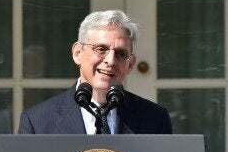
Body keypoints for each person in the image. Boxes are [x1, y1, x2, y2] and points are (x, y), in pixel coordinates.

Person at [18, 10, 172, 134]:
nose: (110, 60)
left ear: (130, 65)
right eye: (100, 49)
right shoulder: (37, 122)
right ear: (78, 53)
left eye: (121, 54)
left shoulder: (155, 119)